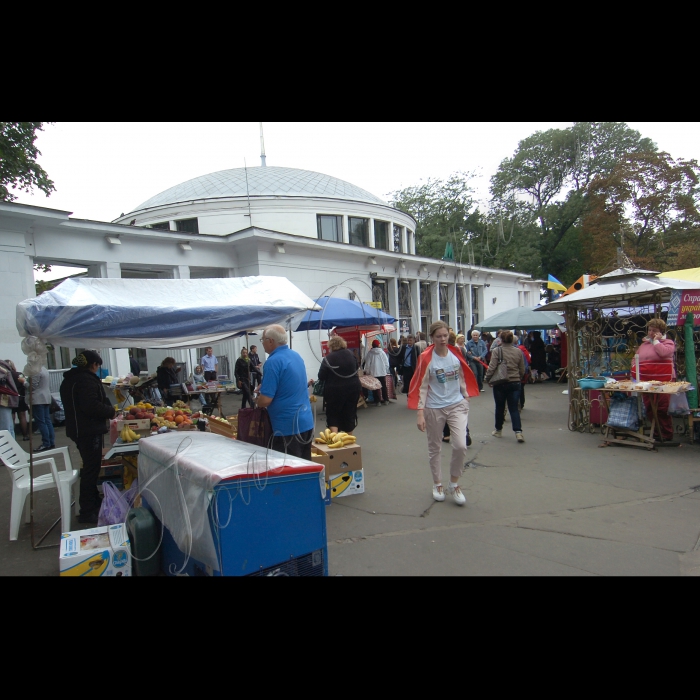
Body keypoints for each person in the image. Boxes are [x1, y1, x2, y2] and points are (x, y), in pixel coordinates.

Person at [410, 320, 479, 506]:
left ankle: (454, 484)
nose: (442, 339)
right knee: (435, 448)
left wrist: (465, 395)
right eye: (438, 336)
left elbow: (463, 374)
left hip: (457, 405)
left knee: (460, 445)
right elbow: (422, 387)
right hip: (434, 407)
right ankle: (437, 484)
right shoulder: (426, 358)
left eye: (445, 335)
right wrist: (420, 412)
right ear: (432, 338)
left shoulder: (456, 353)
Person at [60, 350, 116, 524]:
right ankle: (87, 510)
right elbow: (91, 406)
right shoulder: (85, 380)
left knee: (90, 466)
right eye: (97, 365)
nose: (97, 369)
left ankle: (93, 501)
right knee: (91, 469)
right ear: (93, 365)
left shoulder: (69, 379)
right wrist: (111, 411)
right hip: (88, 430)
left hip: (78, 430)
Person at [254, 324, 314, 460]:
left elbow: (265, 401)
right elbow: (291, 383)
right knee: (305, 469)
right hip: (305, 421)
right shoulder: (295, 356)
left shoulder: (273, 361)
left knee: (289, 473)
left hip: (287, 427)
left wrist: (257, 399)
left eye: (262, 340)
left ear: (270, 341)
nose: (262, 343)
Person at [635, 318, 676, 441]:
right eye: (649, 330)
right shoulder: (644, 344)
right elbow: (636, 357)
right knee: (649, 406)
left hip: (664, 380)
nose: (651, 332)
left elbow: (664, 353)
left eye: (654, 330)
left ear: (661, 332)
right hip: (647, 380)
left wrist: (656, 342)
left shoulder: (668, 343)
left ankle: (666, 433)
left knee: (661, 407)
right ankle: (656, 432)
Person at [484, 330, 526, 442]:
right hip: (515, 382)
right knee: (514, 408)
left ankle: (498, 430)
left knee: (500, 407)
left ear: (501, 340)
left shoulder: (497, 351)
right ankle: (518, 432)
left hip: (501, 382)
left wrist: (487, 379)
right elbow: (522, 368)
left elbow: (492, 367)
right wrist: (518, 377)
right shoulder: (518, 351)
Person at [317, 335, 361, 434]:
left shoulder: (328, 358)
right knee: (350, 413)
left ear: (331, 346)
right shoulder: (351, 355)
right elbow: (355, 368)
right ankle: (349, 440)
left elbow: (321, 376)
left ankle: (335, 439)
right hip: (353, 388)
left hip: (335, 391)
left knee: (333, 413)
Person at [30, 365, 55, 452]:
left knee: (41, 421)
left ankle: (46, 443)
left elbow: (32, 386)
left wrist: (23, 382)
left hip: (38, 398)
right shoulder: (44, 369)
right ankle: (51, 442)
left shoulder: (36, 370)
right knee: (47, 420)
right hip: (46, 397)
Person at [5, 360, 29, 441]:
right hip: (20, 398)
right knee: (22, 417)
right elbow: (25, 385)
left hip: (10, 398)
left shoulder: (4, 375)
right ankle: (25, 435)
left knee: (11, 417)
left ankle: (12, 436)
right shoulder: (19, 374)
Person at [363, 339, 390, 406]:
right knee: (383, 386)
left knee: (375, 387)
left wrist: (368, 371)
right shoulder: (382, 352)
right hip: (382, 372)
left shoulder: (369, 353)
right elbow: (386, 363)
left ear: (372, 345)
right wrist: (385, 370)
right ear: (378, 345)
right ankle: (385, 399)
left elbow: (367, 364)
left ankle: (377, 401)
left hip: (373, 373)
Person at [0, 359, 20, 438]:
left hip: (3, 400)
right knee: (8, 427)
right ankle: (11, 448)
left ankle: (8, 449)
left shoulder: (2, 367)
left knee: (5, 429)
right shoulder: (4, 367)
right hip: (6, 400)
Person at [516, 337, 532, 411]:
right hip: (520, 375)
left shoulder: (500, 350)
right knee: (521, 388)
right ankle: (521, 404)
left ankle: (517, 405)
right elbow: (526, 362)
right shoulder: (522, 349)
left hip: (511, 376)